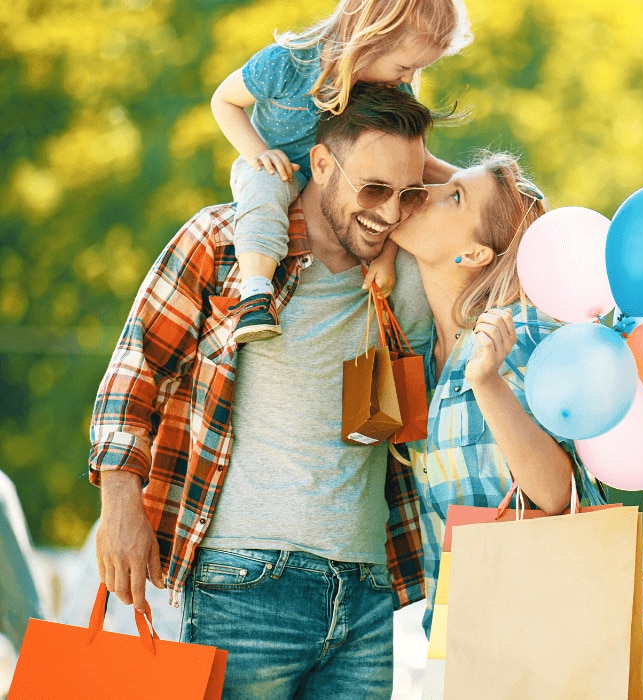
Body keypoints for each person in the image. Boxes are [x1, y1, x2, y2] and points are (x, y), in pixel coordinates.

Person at [91, 83, 437, 699]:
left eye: (408, 193)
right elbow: (133, 372)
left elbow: (500, 216)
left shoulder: (405, 273)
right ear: (322, 163)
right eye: (375, 188)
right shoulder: (223, 242)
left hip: (366, 596)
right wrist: (120, 503)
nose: (389, 212)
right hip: (244, 586)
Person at [385, 152, 608, 635]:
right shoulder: (422, 357)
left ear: (476, 254)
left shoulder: (520, 332)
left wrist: (486, 384)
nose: (430, 193)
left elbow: (555, 493)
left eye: (455, 197)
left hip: (539, 635)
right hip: (458, 635)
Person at [210, 0, 471, 344]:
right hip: (277, 168)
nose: (409, 78)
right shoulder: (285, 63)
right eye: (406, 66)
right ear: (370, 40)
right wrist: (259, 153)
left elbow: (411, 173)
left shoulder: (390, 89)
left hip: (339, 196)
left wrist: (386, 257)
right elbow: (224, 101)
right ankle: (256, 294)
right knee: (265, 190)